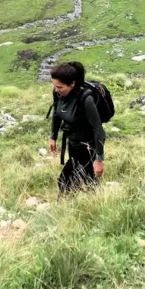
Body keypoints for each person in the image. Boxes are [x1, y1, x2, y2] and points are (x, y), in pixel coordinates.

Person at [48, 62, 105, 194]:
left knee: (66, 181)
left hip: (88, 146)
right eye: (55, 86)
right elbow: (57, 112)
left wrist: (99, 159)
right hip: (73, 142)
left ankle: (69, 207)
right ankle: (85, 205)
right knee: (83, 182)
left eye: (60, 87)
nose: (56, 90)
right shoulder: (58, 93)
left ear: (72, 84)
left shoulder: (86, 99)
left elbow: (98, 130)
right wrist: (53, 136)